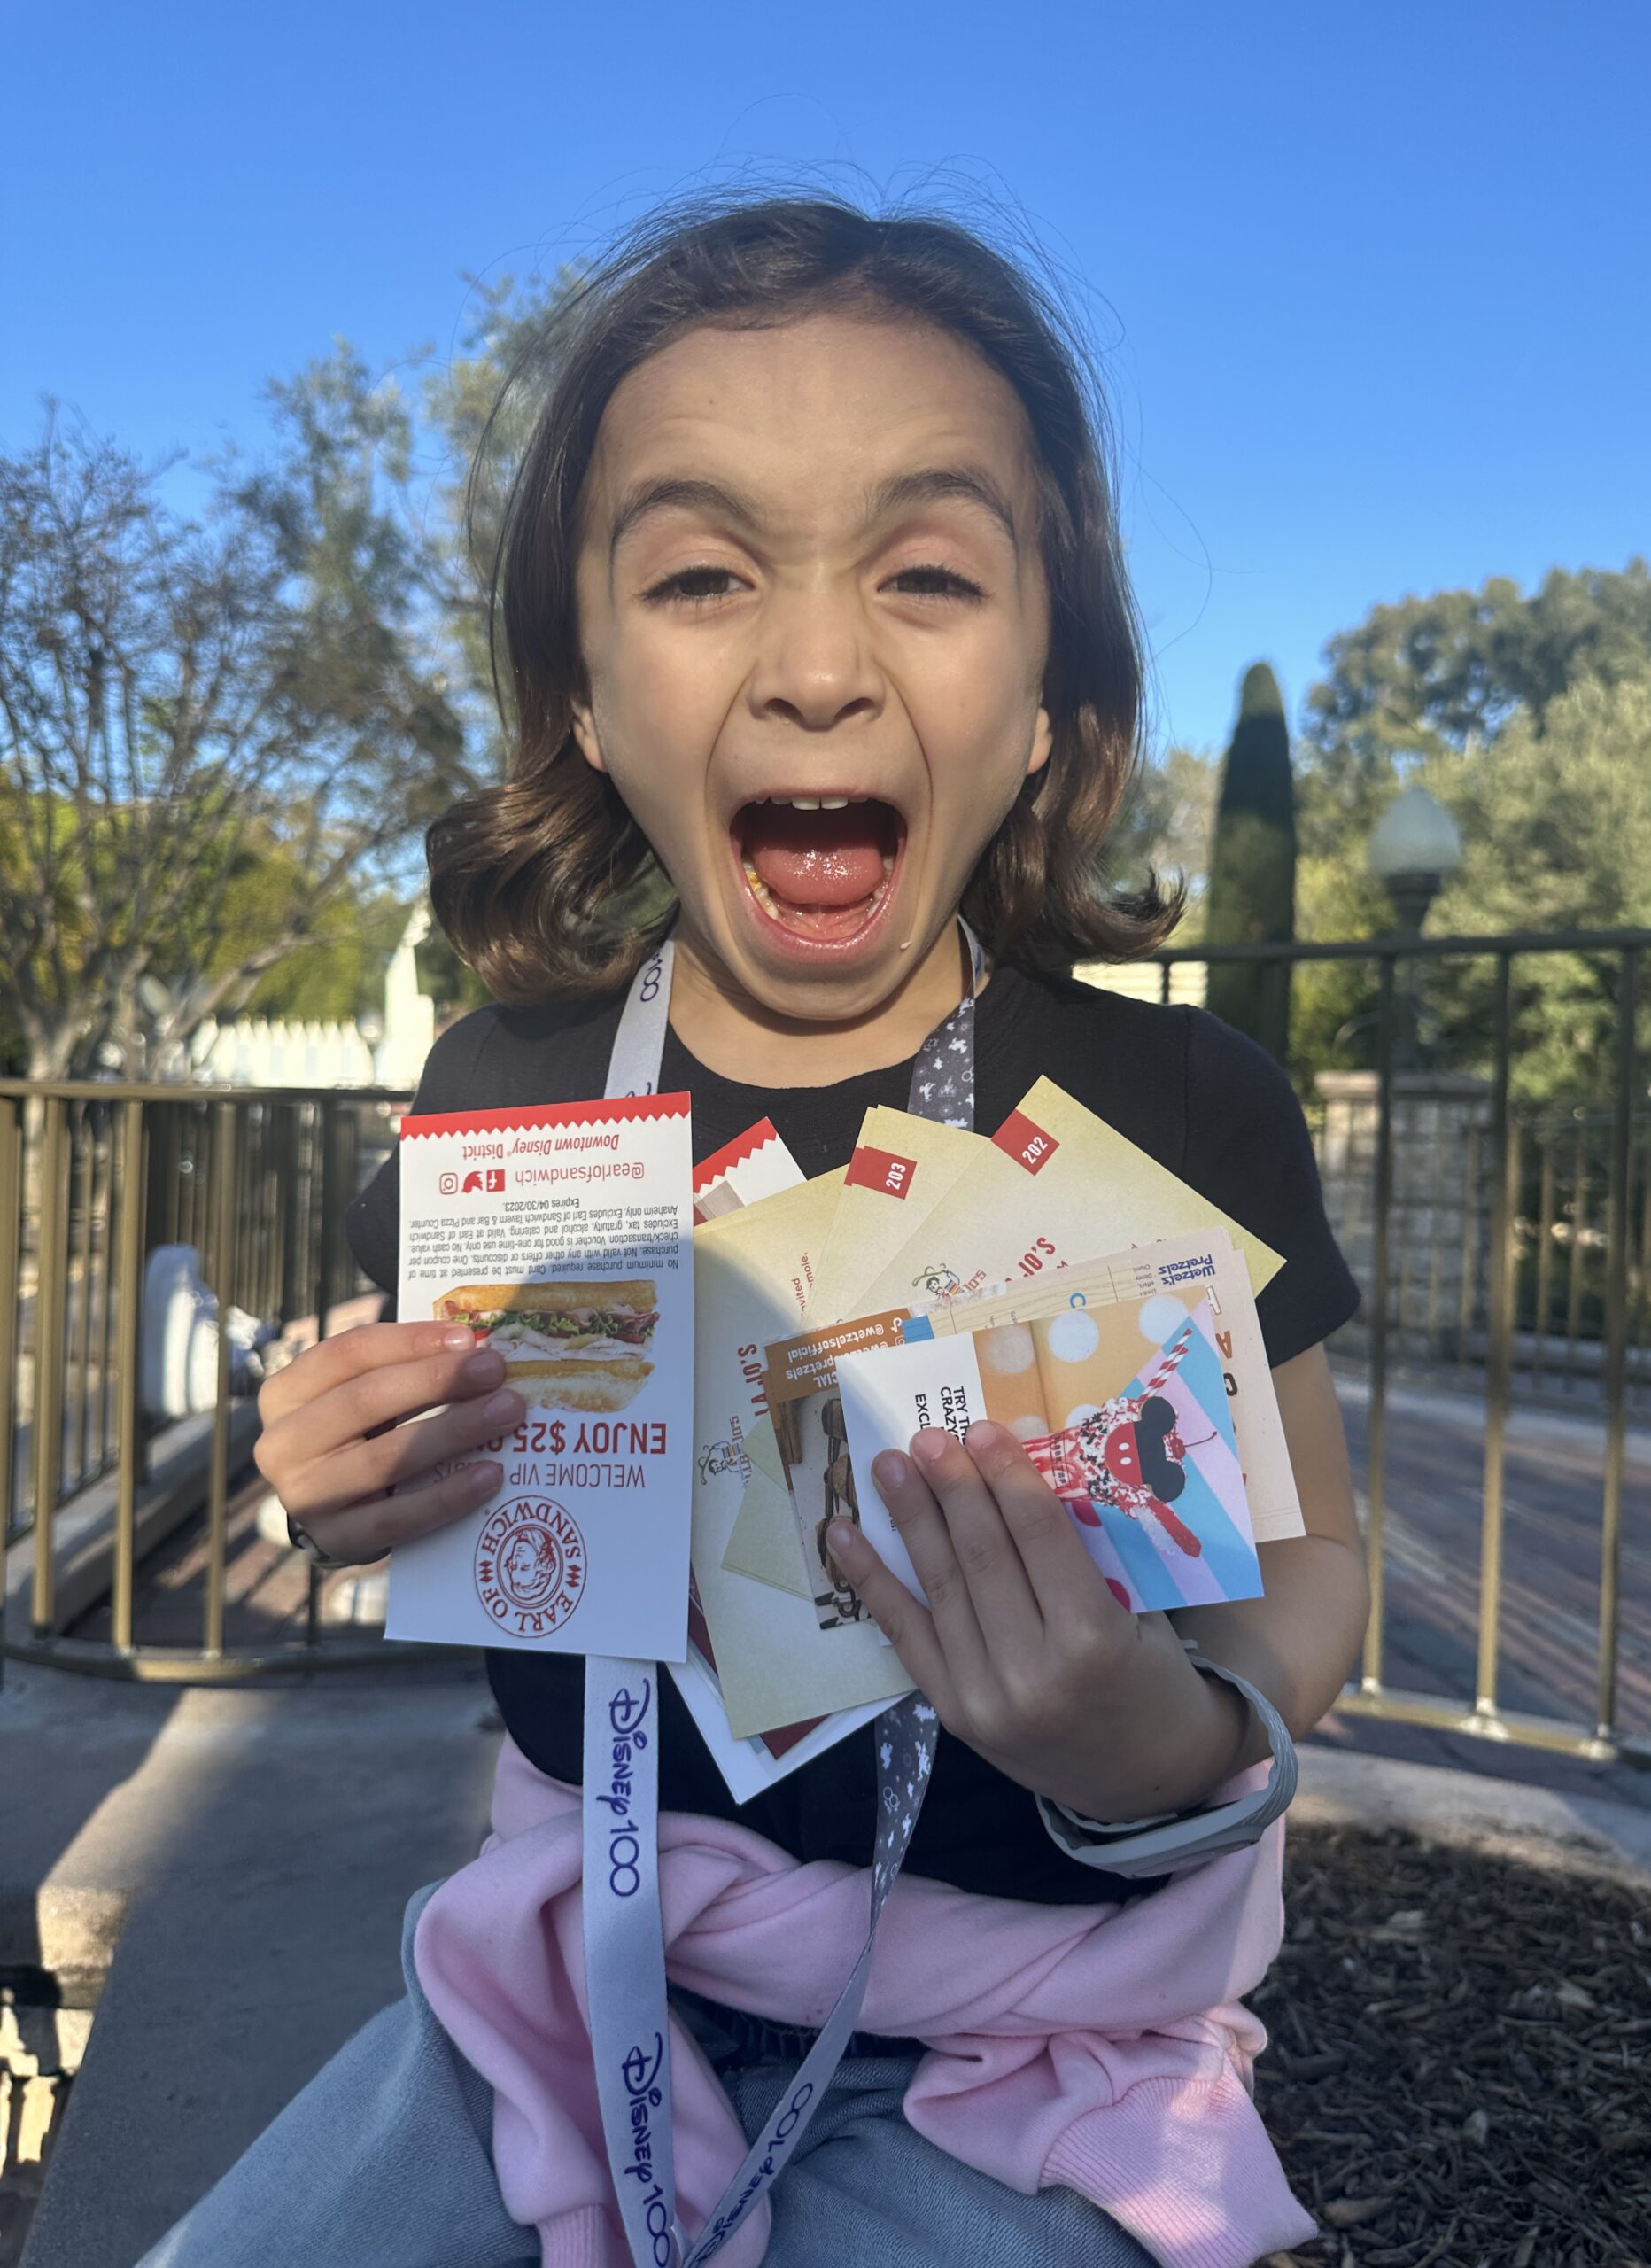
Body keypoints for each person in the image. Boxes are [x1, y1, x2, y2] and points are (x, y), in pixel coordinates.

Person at [143, 194, 1367, 2268]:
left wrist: (1159, 1732)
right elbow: (446, 1482)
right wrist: (339, 1482)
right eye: (704, 573)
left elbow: (1316, 1563)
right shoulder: (500, 1090)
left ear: (1056, 700)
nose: (815, 667)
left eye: (928, 570)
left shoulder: (1181, 1107)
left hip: (1027, 2047)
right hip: (557, 1987)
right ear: (594, 702)